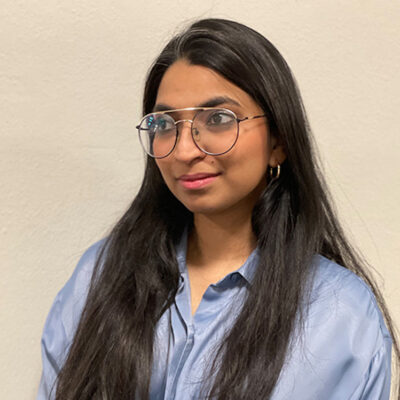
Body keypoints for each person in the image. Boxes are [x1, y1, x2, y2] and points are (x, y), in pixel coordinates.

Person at [37, 18, 399, 400]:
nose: (184, 150)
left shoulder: (340, 314)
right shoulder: (101, 276)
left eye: (219, 119)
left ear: (278, 140)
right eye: (164, 123)